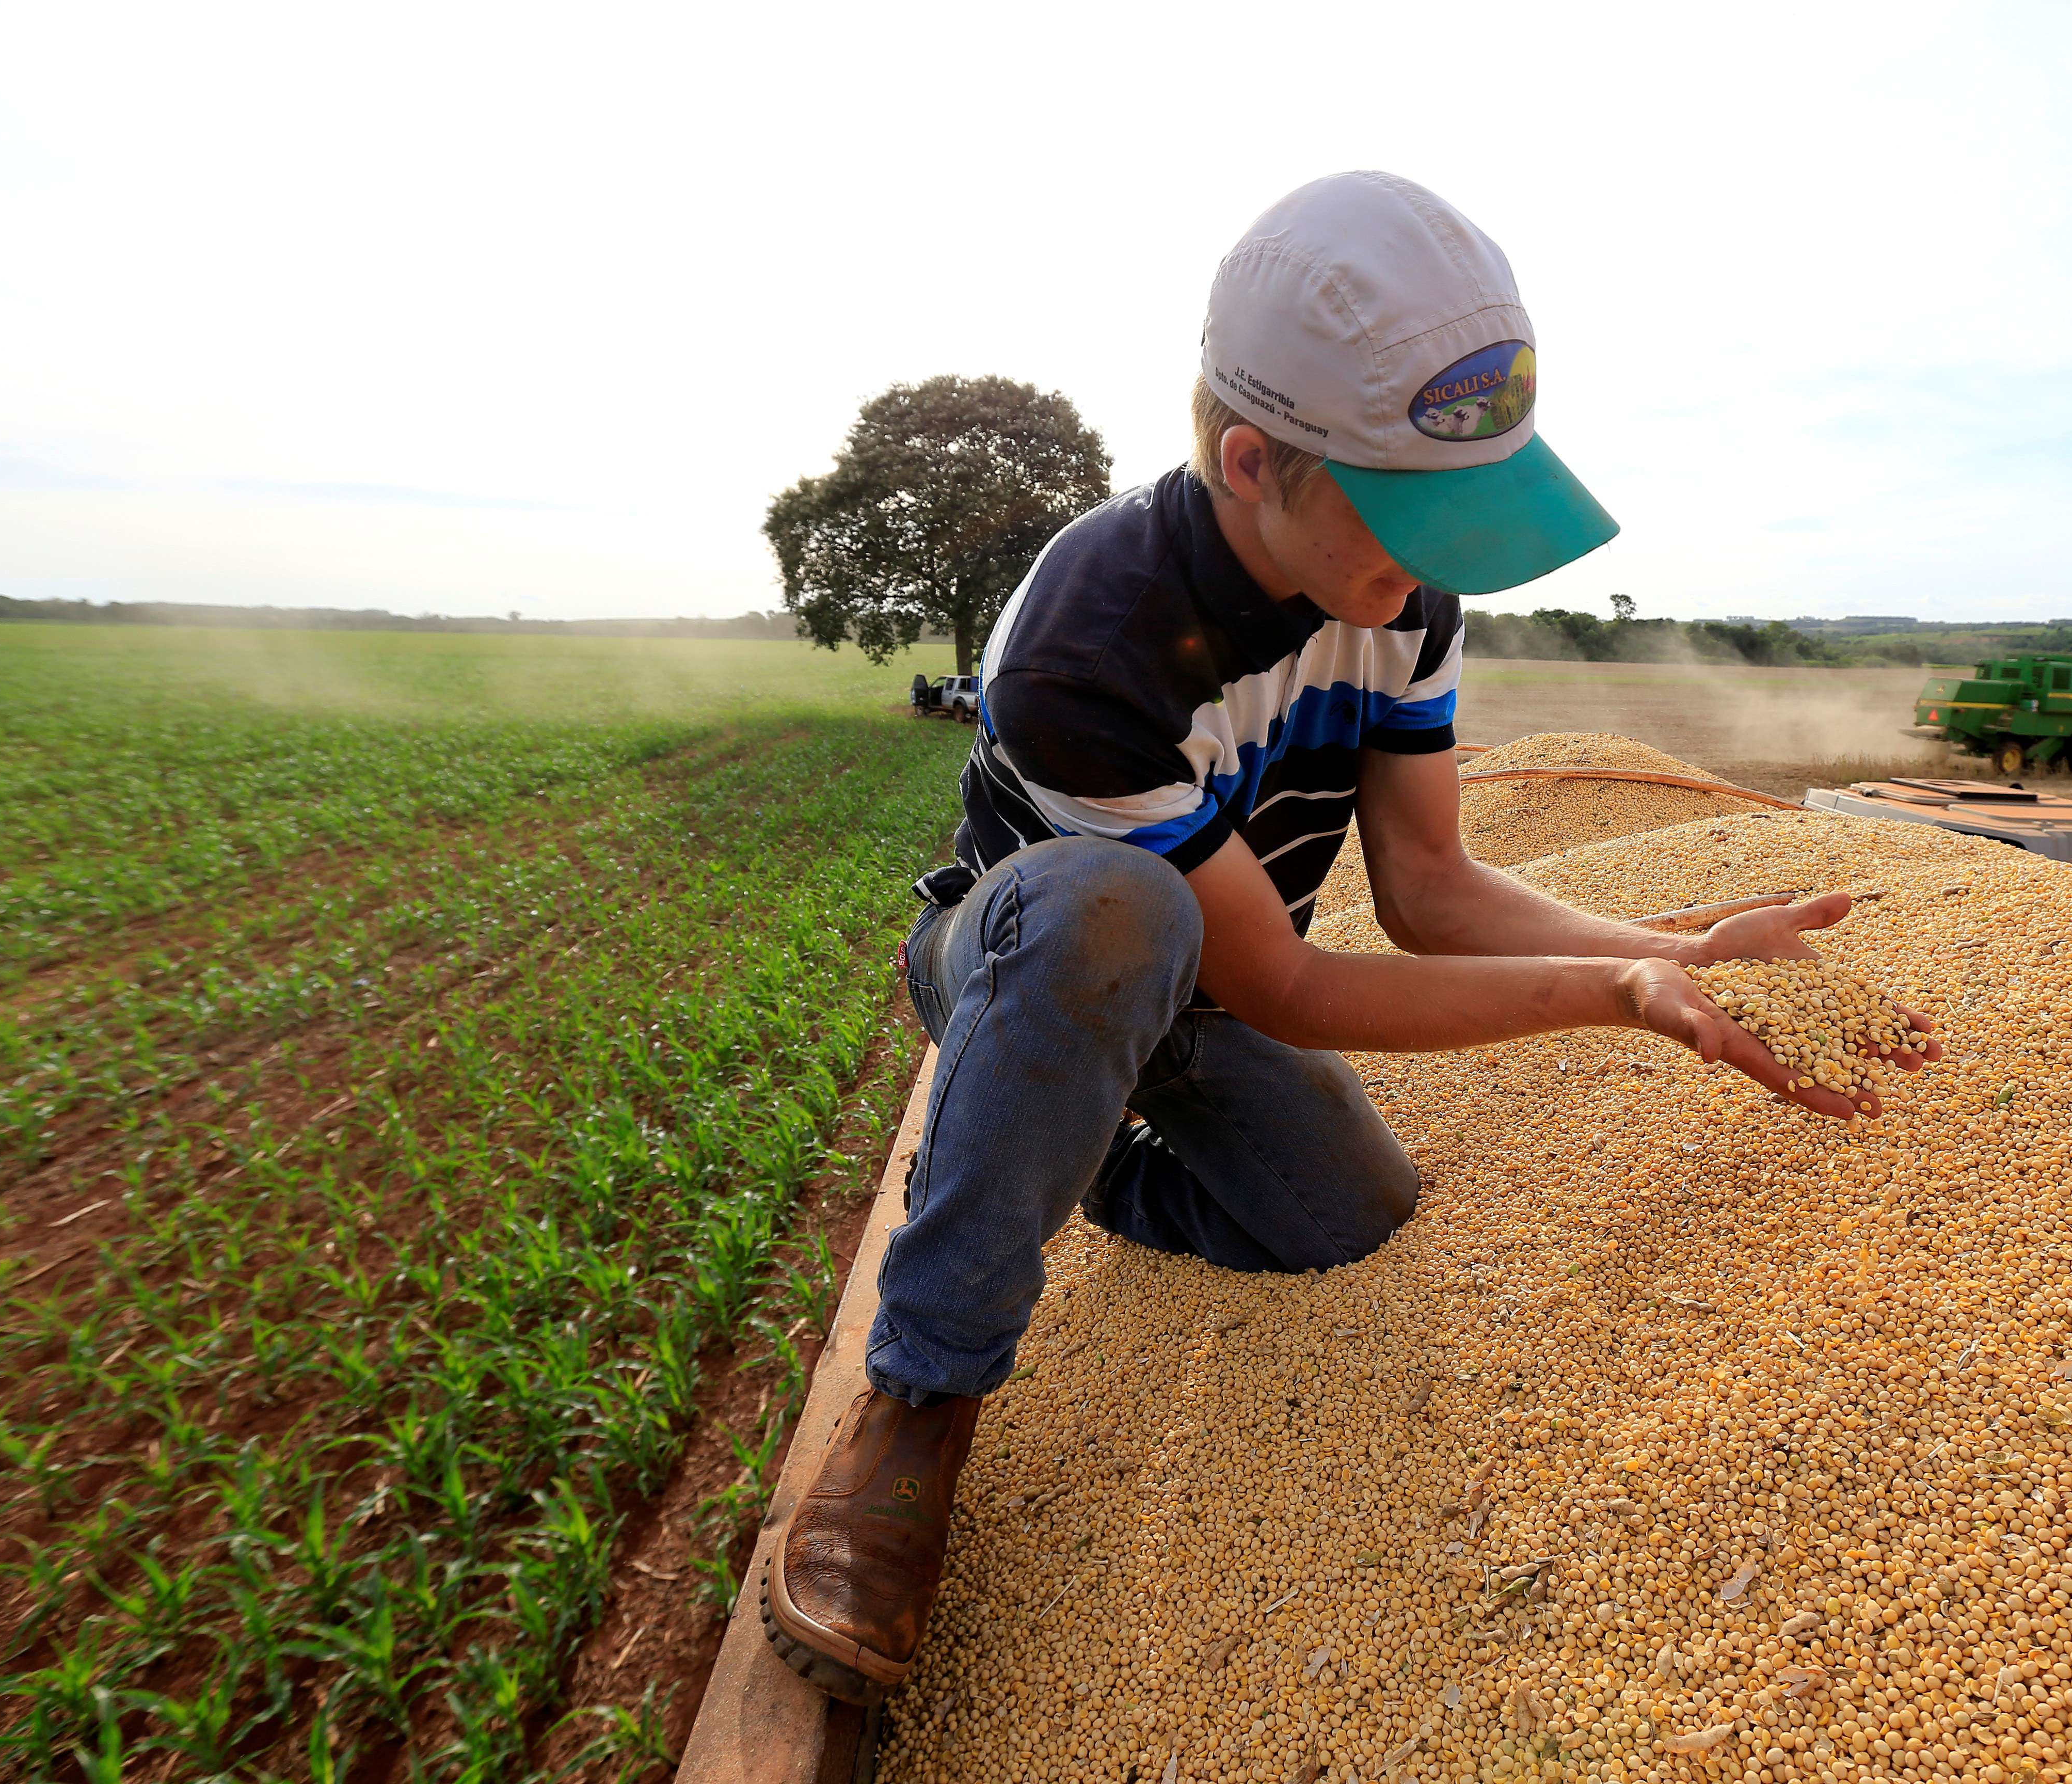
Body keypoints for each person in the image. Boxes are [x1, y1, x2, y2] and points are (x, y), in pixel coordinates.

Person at [762, 171, 1938, 1705]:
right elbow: (1297, 981)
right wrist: (1613, 998)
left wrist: (1685, 950)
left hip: (1211, 979)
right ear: (1254, 463)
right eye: (1408, 515)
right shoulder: (1088, 642)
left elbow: (1434, 888)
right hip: (1031, 951)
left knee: (1340, 1212)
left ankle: (1053, 1158)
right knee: (1117, 910)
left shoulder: (1401, 603)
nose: (1433, 560)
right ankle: (919, 1394)